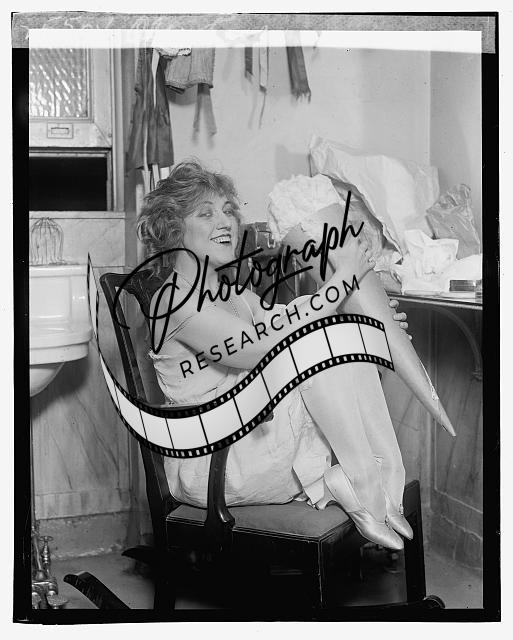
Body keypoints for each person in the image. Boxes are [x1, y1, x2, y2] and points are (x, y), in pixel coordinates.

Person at [138, 160, 412, 550]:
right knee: (319, 345)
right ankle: (364, 487)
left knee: (342, 340)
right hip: (217, 464)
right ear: (172, 231)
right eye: (206, 213)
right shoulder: (173, 300)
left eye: (228, 211)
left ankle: (377, 486)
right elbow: (255, 347)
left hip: (259, 445)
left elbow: (289, 318)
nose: (226, 222)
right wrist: (342, 281)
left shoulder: (234, 293)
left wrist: (369, 325)